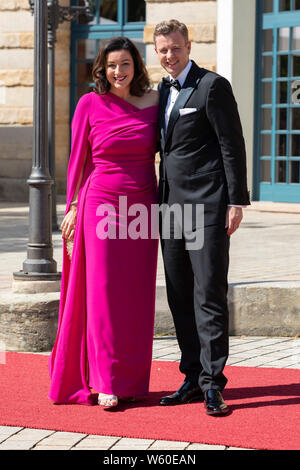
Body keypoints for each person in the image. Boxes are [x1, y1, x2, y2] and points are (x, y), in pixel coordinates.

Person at [48, 37, 159, 408]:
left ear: (136, 66)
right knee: (103, 292)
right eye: (112, 65)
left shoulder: (155, 102)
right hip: (101, 204)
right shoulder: (89, 104)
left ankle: (131, 379)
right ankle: (105, 380)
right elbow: (78, 160)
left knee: (136, 296)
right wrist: (74, 206)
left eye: (125, 64)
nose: (118, 71)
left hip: (143, 206)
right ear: (102, 68)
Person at [154, 20, 250, 415]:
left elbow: (232, 144)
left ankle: (214, 384)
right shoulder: (160, 91)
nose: (169, 56)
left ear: (188, 46)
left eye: (175, 48)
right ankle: (191, 377)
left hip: (207, 207)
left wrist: (236, 201)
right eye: (162, 50)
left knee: (208, 295)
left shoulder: (213, 86)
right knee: (178, 297)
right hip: (170, 209)